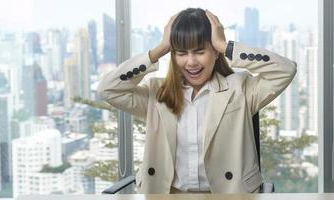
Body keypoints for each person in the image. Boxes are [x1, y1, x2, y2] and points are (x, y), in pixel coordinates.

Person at [97, 8, 297, 194]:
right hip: (167, 195)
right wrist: (159, 50)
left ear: (215, 52)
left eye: (200, 52)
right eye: (181, 53)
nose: (191, 62)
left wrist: (225, 46)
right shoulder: (157, 94)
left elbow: (285, 70)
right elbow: (108, 89)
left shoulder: (240, 89)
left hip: (228, 196)